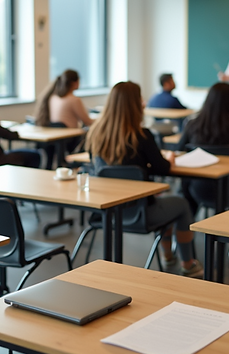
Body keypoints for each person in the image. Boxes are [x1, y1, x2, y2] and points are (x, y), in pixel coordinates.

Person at [85, 81, 203, 278]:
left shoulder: (95, 135)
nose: (144, 102)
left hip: (107, 213)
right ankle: (187, 263)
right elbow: (162, 168)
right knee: (180, 205)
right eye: (140, 98)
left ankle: (168, 257)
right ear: (134, 104)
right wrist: (170, 159)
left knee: (165, 204)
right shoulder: (142, 136)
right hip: (140, 213)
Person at [34, 69, 91, 166]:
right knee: (88, 135)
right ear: (75, 82)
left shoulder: (53, 97)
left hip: (54, 136)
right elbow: (87, 121)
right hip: (69, 139)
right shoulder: (74, 100)